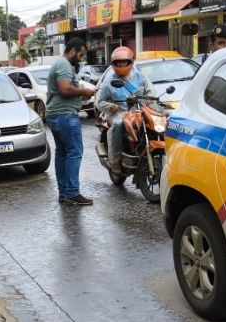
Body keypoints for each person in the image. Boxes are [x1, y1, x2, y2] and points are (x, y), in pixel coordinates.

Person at [45, 37, 95, 206]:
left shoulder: (61, 64)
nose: (80, 58)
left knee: (63, 153)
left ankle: (64, 192)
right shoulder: (64, 65)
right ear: (72, 51)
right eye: (80, 54)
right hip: (65, 116)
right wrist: (84, 92)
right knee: (74, 152)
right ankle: (72, 192)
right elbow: (65, 89)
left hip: (56, 115)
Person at [96, 46, 154, 175]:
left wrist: (150, 99)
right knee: (117, 125)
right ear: (114, 63)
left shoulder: (140, 76)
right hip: (118, 112)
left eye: (124, 62)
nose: (122, 64)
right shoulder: (109, 80)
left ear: (130, 62)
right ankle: (115, 161)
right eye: (119, 62)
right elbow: (99, 102)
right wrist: (109, 106)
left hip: (138, 110)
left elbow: (151, 91)